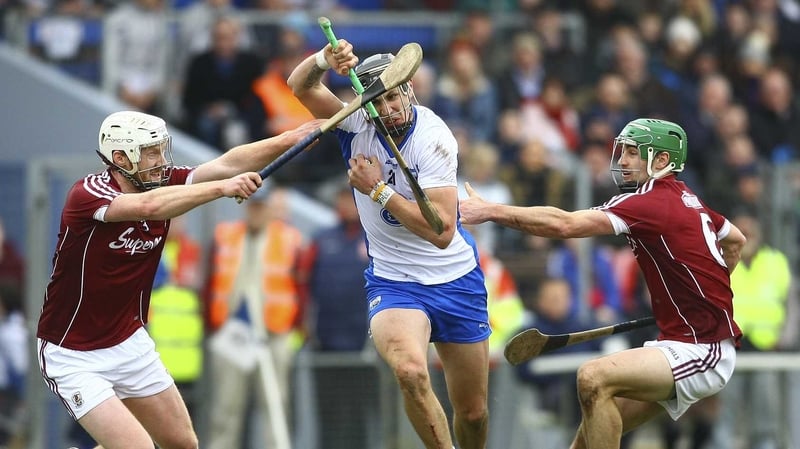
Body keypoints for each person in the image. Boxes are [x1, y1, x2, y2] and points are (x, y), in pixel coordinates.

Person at [35, 110, 324, 449]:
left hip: (129, 343)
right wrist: (221, 188)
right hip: (73, 352)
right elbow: (150, 207)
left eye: (161, 149)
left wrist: (290, 138)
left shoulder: (161, 182)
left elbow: (229, 163)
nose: (161, 160)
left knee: (183, 443)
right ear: (120, 158)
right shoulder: (88, 193)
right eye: (150, 152)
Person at [459, 117, 747, 449]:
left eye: (633, 153)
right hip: (681, 343)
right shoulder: (687, 198)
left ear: (663, 160)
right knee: (592, 427)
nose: (622, 160)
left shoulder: (650, 201)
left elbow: (565, 225)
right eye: (621, 152)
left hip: (702, 350)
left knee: (592, 376)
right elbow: (735, 241)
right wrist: (703, 299)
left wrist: (491, 210)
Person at [287, 40, 491, 449]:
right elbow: (300, 86)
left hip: (455, 277)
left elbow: (442, 232)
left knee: (472, 411)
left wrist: (377, 189)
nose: (390, 108)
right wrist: (324, 61)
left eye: (395, 96)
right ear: (365, 104)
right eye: (378, 101)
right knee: (411, 372)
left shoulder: (434, 138)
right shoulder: (355, 124)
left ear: (408, 90)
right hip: (394, 281)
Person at [204, 185, 304, 449]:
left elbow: (301, 287)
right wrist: (213, 325)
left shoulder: (288, 239)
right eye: (252, 206)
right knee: (226, 405)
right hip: (234, 331)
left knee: (275, 404)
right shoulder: (227, 236)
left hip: (274, 332)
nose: (256, 211)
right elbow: (210, 282)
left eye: (261, 206)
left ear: (270, 208)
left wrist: (296, 327)